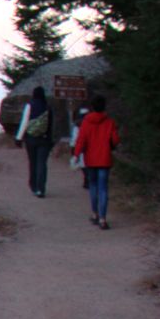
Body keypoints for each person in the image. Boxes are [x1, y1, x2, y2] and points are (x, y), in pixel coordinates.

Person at [71, 94, 122, 228]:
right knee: (103, 188)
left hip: (91, 159)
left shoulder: (86, 122)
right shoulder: (110, 122)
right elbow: (115, 140)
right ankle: (103, 219)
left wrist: (76, 155)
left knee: (93, 186)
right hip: (105, 159)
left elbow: (81, 140)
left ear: (92, 107)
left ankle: (95, 214)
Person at [15, 85, 54, 197]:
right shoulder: (48, 107)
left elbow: (24, 122)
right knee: (42, 163)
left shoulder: (29, 105)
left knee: (33, 162)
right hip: (44, 139)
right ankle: (41, 189)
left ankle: (34, 186)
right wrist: (50, 140)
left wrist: (19, 138)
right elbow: (51, 125)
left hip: (31, 139)